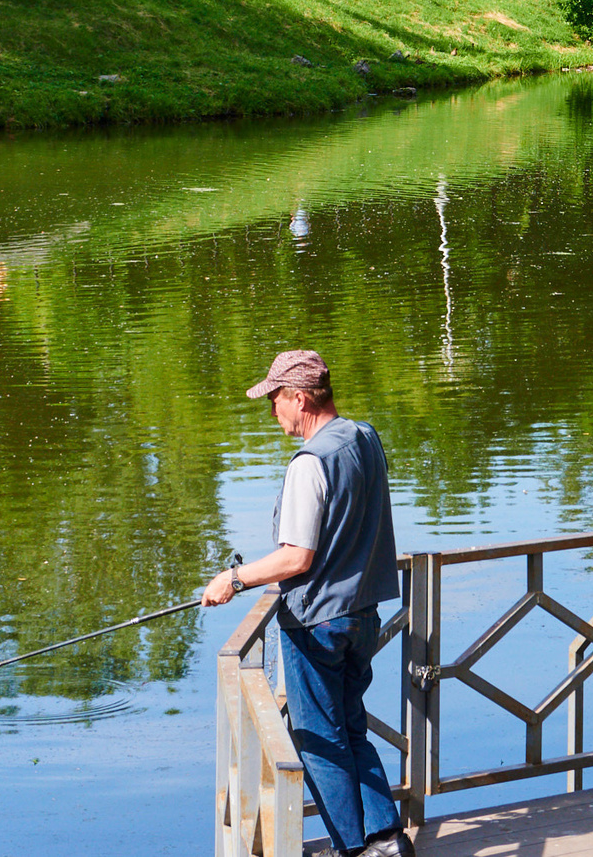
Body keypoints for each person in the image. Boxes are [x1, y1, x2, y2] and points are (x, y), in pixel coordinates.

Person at [201, 350, 406, 857]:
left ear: (299, 398)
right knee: (352, 725)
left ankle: (352, 849)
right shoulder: (365, 438)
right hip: (364, 613)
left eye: (274, 399)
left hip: (317, 622)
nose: (272, 411)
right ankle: (387, 838)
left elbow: (296, 558)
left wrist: (234, 579)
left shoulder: (309, 463)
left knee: (317, 741)